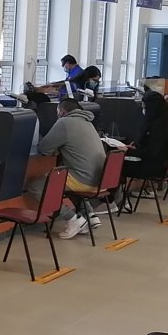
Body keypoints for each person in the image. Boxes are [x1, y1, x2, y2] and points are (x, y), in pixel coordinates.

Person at [33, 99, 107, 240]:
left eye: (57, 112)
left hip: (84, 181)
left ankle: (73, 219)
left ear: (62, 112)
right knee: (65, 175)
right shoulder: (87, 122)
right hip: (100, 179)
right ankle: (89, 214)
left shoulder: (64, 122)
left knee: (37, 186)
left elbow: (44, 148)